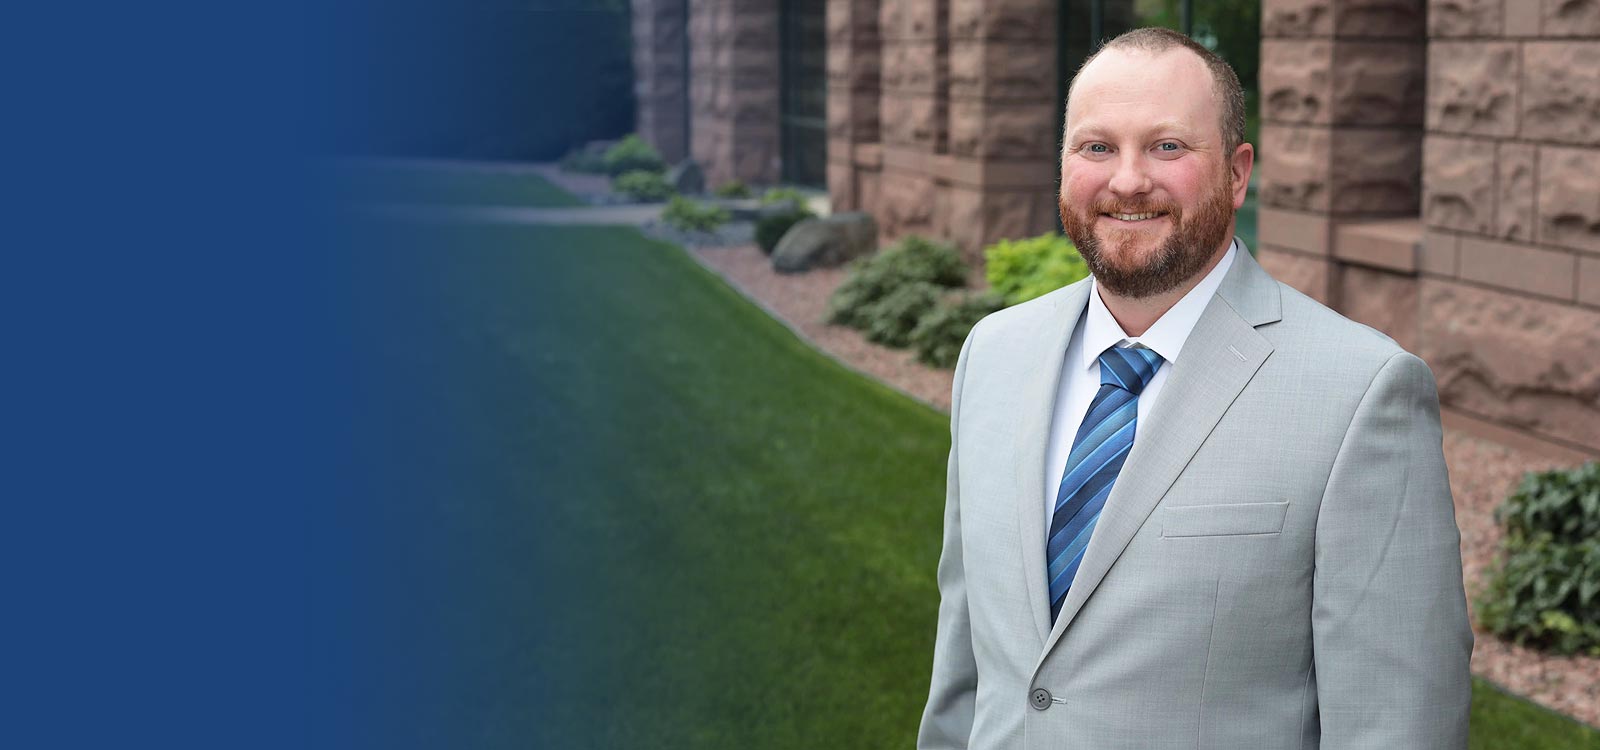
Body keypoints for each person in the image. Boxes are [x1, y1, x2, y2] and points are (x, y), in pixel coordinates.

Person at [917, 27, 1472, 750]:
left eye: (1168, 147)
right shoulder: (991, 355)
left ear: (1238, 174)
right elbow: (965, 671)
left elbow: (1398, 723)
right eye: (1096, 147)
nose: (1126, 180)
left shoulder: (1360, 393)